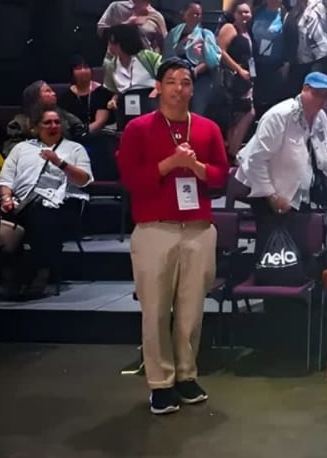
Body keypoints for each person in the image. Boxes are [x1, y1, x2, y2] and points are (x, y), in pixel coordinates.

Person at [116, 58, 229, 415]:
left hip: (198, 229)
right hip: (155, 228)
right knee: (154, 311)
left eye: (185, 82)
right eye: (171, 82)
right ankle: (160, 382)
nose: (178, 89)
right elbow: (130, 179)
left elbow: (221, 175)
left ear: (193, 88)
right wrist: (170, 164)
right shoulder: (138, 128)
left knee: (191, 310)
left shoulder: (207, 128)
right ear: (158, 87)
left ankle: (186, 375)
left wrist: (195, 166)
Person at [0, 108, 93, 297]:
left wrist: (60, 163)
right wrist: (6, 198)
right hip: (21, 201)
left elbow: (84, 180)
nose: (53, 126)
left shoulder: (75, 149)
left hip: (62, 203)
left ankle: (39, 271)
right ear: (34, 128)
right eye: (47, 122)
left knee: (41, 214)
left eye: (57, 122)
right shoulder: (21, 148)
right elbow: (4, 180)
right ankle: (8, 274)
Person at [235, 73, 327, 252]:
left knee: (297, 249)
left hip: (300, 192)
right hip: (270, 192)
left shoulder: (321, 117)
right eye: (317, 94)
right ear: (305, 89)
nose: (321, 100)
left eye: (326, 96)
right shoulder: (279, 115)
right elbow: (256, 160)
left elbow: (317, 152)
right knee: (272, 252)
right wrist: (271, 196)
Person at [163, 1, 222, 116]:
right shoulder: (174, 34)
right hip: (177, 78)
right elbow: (167, 56)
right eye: (193, 13)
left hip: (199, 80)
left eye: (199, 14)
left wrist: (195, 71)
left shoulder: (205, 34)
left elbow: (212, 60)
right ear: (184, 14)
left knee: (196, 111)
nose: (196, 16)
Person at [215, 0, 256, 160]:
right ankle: (231, 152)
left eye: (247, 12)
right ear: (234, 14)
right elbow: (220, 50)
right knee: (246, 113)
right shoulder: (230, 28)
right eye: (241, 12)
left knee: (239, 116)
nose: (245, 15)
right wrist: (238, 69)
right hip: (233, 78)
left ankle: (232, 151)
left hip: (246, 79)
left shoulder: (248, 30)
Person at [3, 80, 86, 157]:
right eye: (48, 91)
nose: (54, 93)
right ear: (35, 97)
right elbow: (12, 151)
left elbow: (80, 131)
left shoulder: (64, 115)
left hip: (65, 157)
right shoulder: (19, 123)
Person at [102, 23, 162, 123]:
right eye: (109, 43)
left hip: (149, 100)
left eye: (113, 43)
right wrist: (114, 100)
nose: (110, 47)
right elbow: (115, 90)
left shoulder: (148, 57)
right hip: (124, 106)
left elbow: (165, 74)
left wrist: (157, 89)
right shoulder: (110, 65)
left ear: (124, 42)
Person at [97, 0, 167, 52]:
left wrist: (160, 38)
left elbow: (165, 46)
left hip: (145, 58)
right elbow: (101, 32)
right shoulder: (116, 7)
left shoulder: (157, 16)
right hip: (117, 57)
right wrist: (128, 24)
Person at [250, 0, 289, 113]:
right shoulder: (257, 12)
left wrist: (286, 63)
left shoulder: (285, 15)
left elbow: (290, 40)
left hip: (276, 65)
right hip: (257, 63)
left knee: (273, 101)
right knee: (257, 99)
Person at [58, 56, 111, 133]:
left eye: (86, 67)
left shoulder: (102, 92)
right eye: (78, 68)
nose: (83, 71)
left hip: (98, 134)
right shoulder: (65, 97)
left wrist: (84, 132)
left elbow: (100, 121)